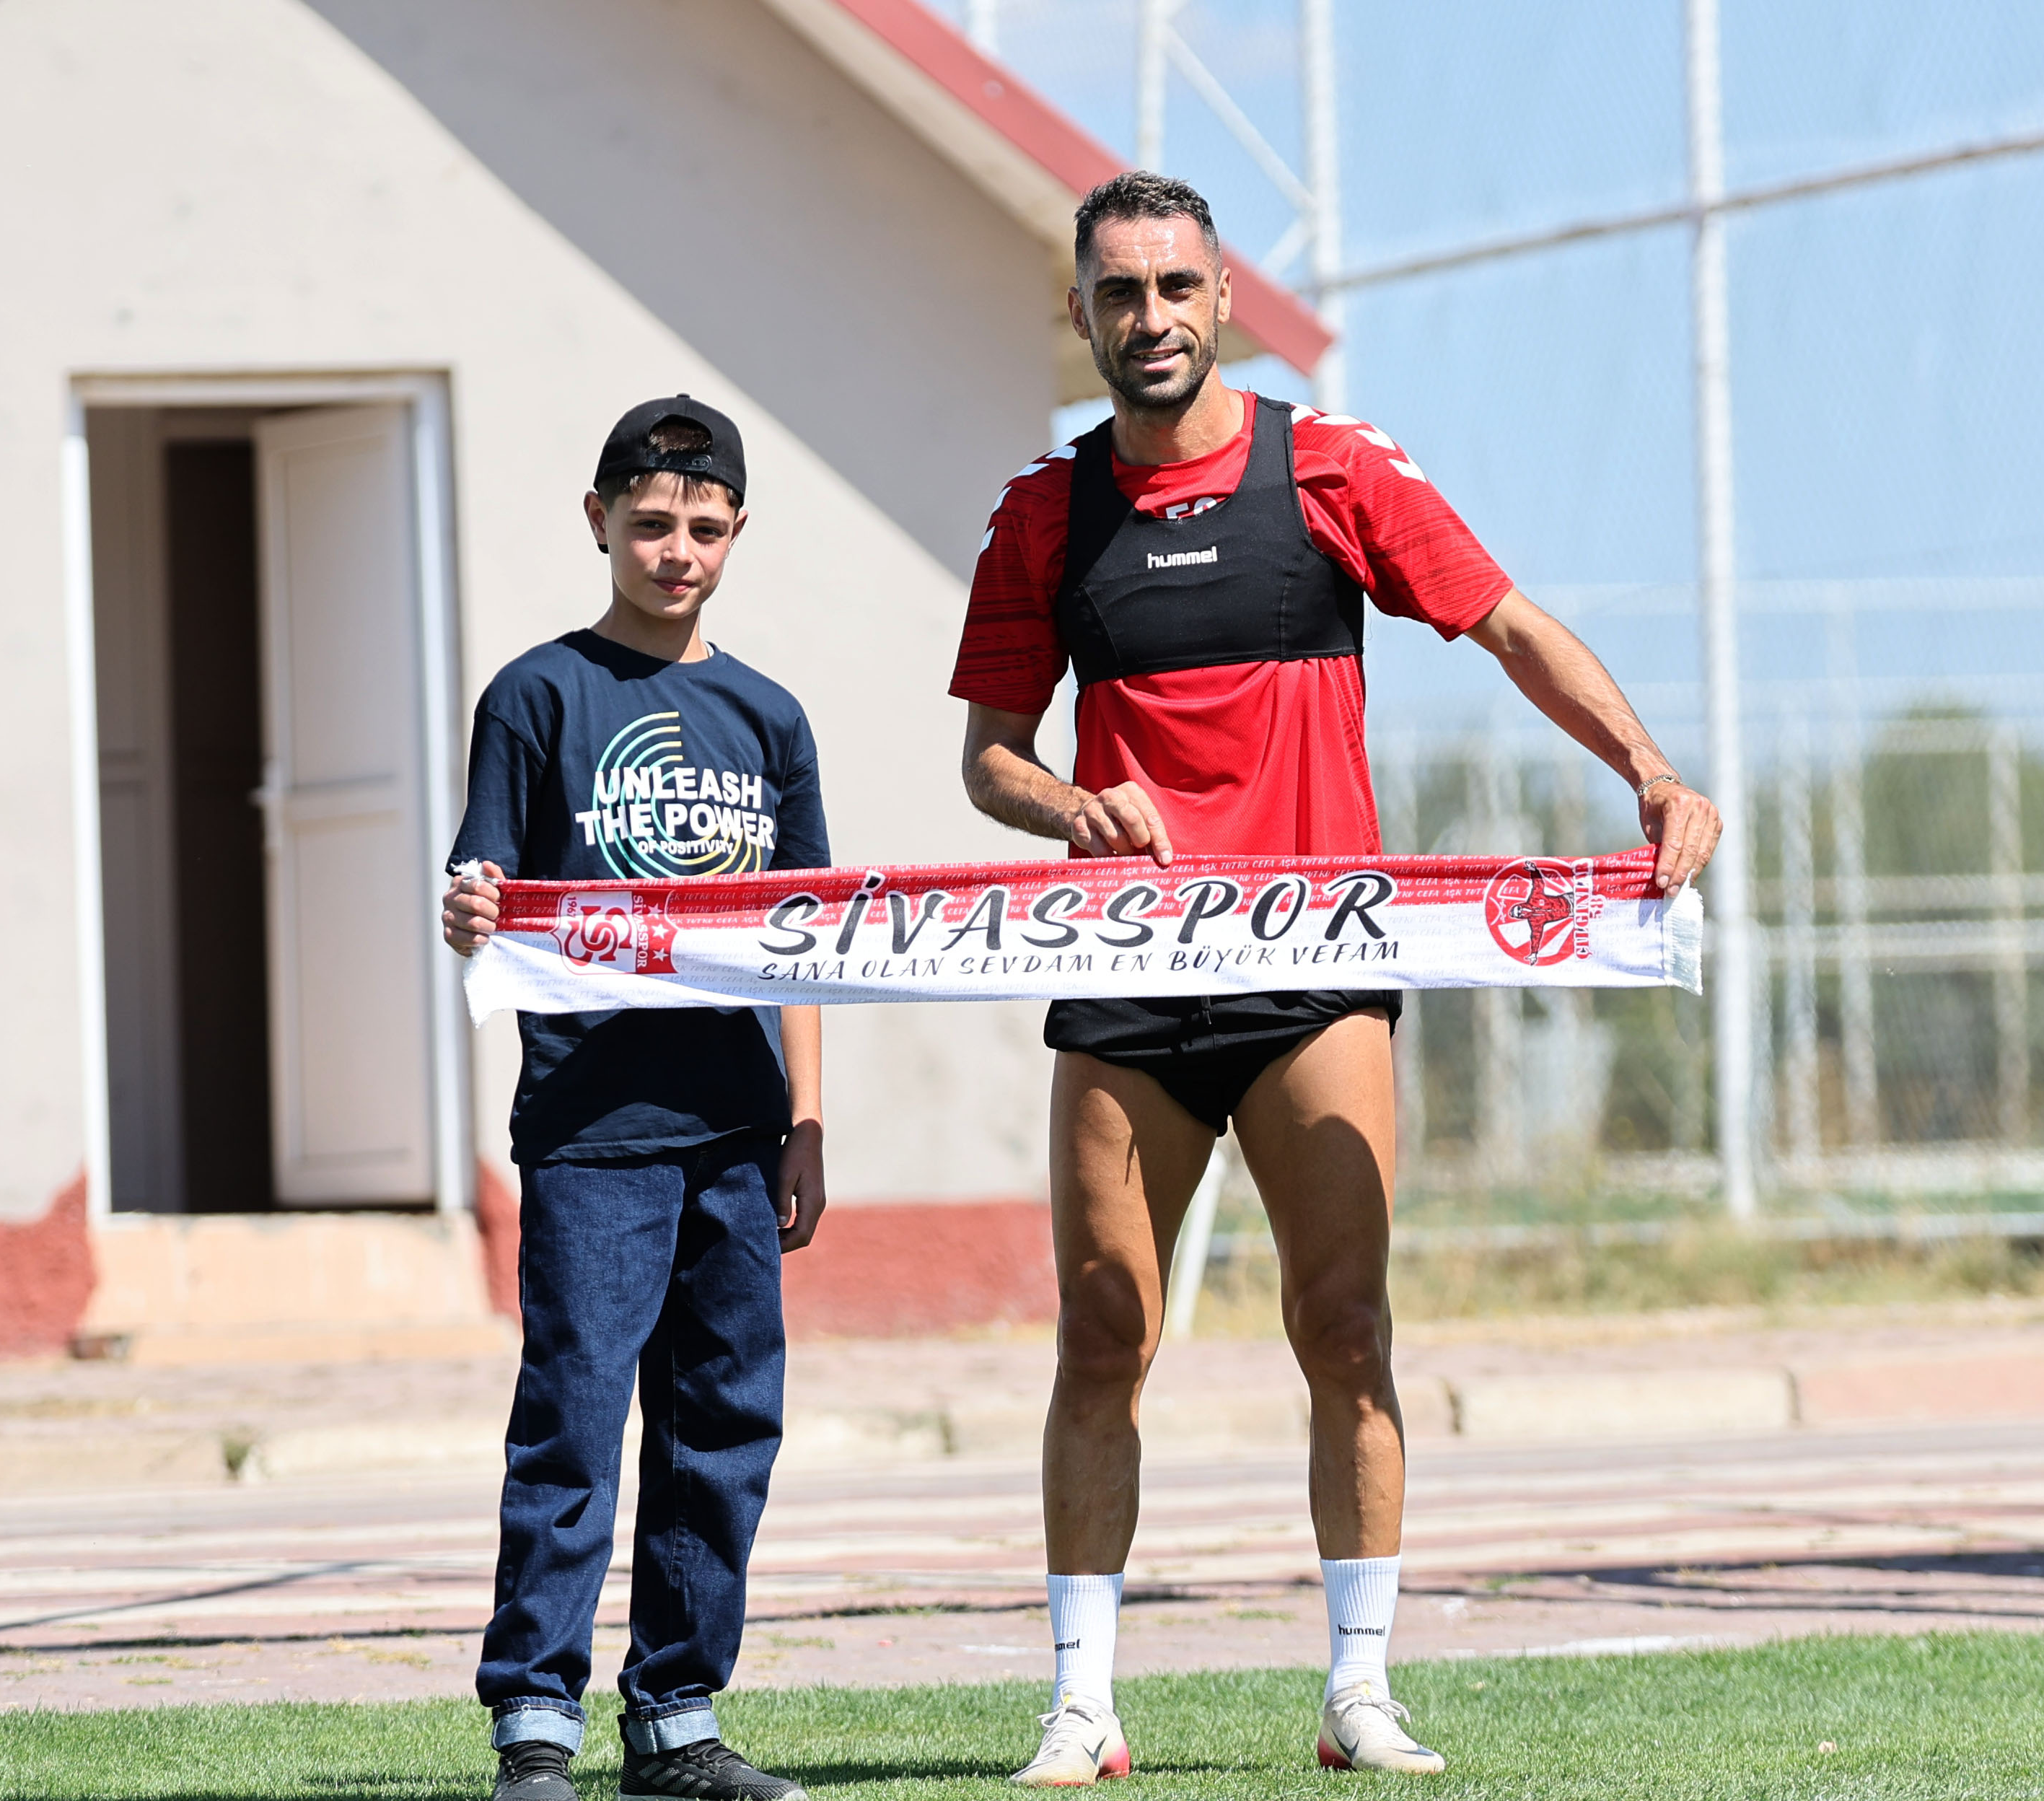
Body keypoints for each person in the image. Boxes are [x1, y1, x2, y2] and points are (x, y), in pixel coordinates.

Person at [950, 173, 1721, 1781]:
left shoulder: (1333, 471)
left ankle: (1356, 1691)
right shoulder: (1043, 512)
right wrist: (1069, 807)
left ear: (1219, 299)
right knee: (1101, 1333)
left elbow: (1505, 630)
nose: (1146, 318)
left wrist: (1645, 769)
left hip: (1315, 981)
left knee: (1344, 1325)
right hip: (1129, 978)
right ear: (1078, 313)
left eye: (1172, 288)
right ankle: (1079, 1704)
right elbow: (988, 762)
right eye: (1115, 293)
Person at [442, 395, 826, 1801]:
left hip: (735, 1132)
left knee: (723, 1427)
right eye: (652, 522)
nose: (677, 550)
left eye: (704, 527)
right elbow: (485, 892)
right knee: (574, 1417)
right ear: (597, 518)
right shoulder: (535, 697)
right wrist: (470, 910)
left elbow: (807, 942)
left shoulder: (769, 718)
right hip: (593, 1136)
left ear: (736, 535)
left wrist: (804, 1123)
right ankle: (531, 1724)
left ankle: (675, 1723)